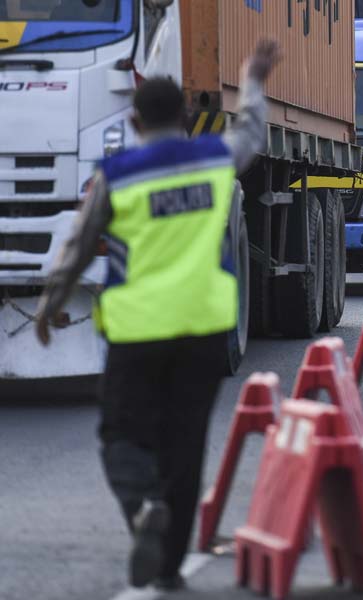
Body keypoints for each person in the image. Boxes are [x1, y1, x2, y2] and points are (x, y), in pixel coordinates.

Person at [34, 40, 281, 590]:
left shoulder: (118, 174)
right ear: (189, 118)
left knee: (122, 432)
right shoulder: (215, 158)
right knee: (185, 444)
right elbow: (252, 133)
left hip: (138, 327)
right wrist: (254, 77)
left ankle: (144, 507)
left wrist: (51, 306)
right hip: (204, 327)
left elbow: (79, 246)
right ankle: (168, 569)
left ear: (135, 120)